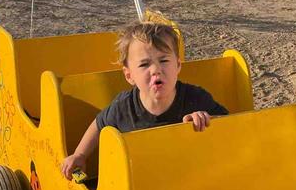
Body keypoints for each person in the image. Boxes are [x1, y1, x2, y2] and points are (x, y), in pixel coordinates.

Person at [61, 21, 228, 180]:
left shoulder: (196, 98)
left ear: (177, 65)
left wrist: (208, 120)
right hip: (141, 186)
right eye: (144, 65)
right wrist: (80, 155)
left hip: (188, 181)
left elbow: (232, 123)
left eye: (163, 60)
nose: (156, 69)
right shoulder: (124, 107)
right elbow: (99, 124)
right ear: (129, 75)